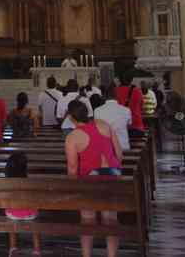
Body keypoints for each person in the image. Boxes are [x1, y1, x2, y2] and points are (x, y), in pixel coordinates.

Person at [65, 102, 124, 257]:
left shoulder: (72, 137)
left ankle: (86, 255)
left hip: (88, 182)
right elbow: (119, 154)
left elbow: (72, 169)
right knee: (110, 219)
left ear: (71, 118)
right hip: (112, 177)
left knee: (87, 220)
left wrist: (73, 188)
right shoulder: (104, 125)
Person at [4, 152, 42, 256]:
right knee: (35, 220)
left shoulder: (6, 183)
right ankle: (37, 249)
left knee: (10, 217)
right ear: (25, 167)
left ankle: (13, 248)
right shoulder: (30, 182)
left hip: (12, 214)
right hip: (30, 214)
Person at [93, 85, 132, 151]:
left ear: (104, 97)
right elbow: (128, 125)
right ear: (117, 96)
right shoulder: (126, 110)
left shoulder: (97, 111)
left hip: (105, 149)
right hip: (123, 147)